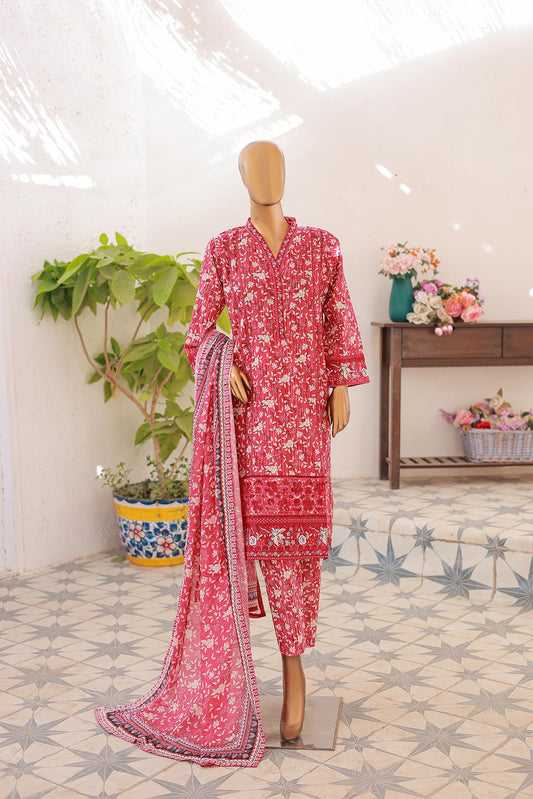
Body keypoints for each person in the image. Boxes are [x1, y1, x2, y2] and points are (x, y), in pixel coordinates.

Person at [184, 140, 370, 741]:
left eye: (276, 164)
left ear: (287, 172)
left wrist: (341, 383)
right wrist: (222, 367)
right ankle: (251, 670)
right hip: (252, 421)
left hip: (306, 421)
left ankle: (295, 669)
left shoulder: (322, 245)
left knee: (299, 546)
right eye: (256, 166)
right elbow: (198, 331)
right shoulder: (224, 249)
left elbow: (338, 317)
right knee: (256, 545)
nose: (268, 176)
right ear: (242, 177)